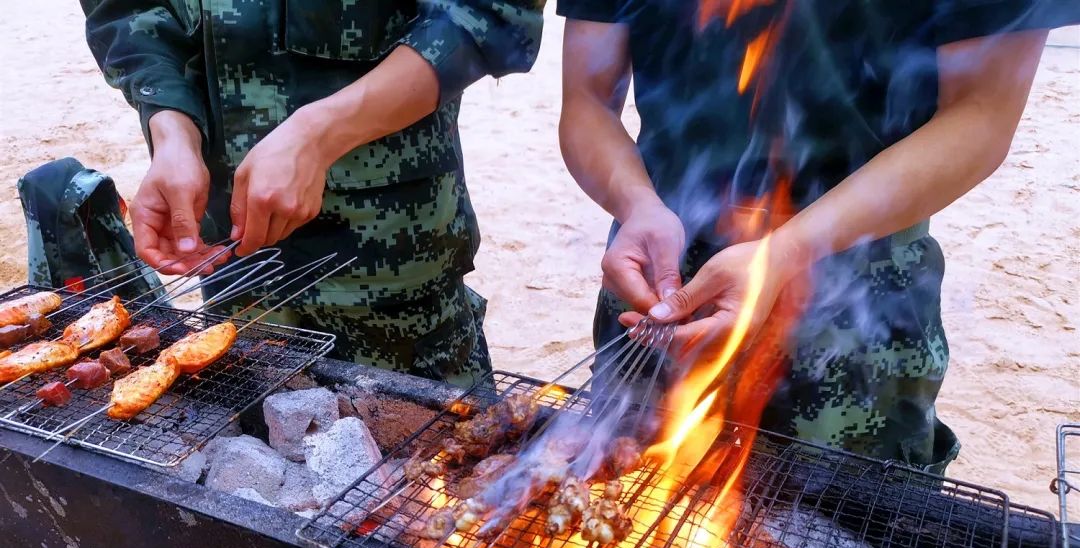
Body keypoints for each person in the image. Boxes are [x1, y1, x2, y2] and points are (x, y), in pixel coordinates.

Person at [558, 1, 1079, 472]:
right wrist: (637, 204)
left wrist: (784, 252)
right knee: (620, 502)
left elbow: (981, 117)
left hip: (856, 292)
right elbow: (587, 100)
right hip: (657, 275)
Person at [79, 0, 545, 387]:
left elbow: (492, 9)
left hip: (391, 265)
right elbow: (126, 9)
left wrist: (323, 133)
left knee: (436, 470)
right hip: (233, 261)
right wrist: (172, 130)